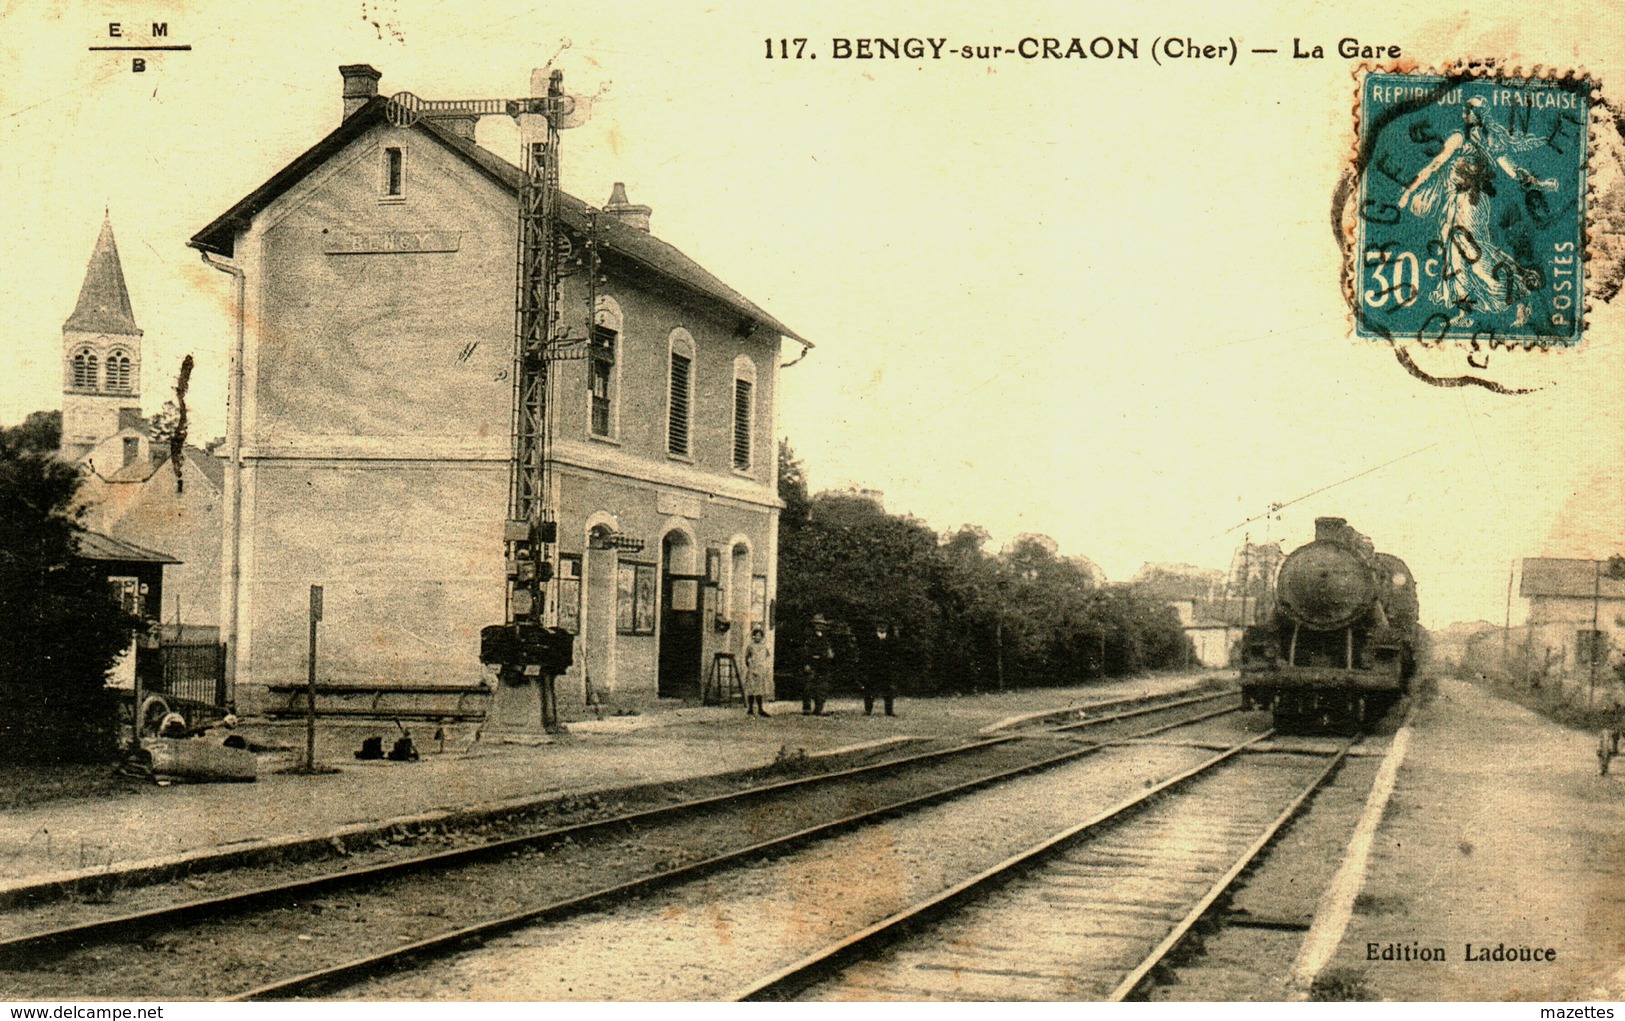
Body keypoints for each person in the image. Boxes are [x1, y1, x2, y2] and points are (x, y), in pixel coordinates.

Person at [1396, 96, 1556, 321]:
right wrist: (1410, 191)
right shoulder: (1458, 139)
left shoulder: (1489, 143)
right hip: (1453, 204)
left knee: (1477, 254)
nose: (1464, 114)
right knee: (1454, 255)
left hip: (1472, 205)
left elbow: (1513, 171)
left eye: (1469, 110)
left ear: (1479, 115)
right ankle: (1464, 311)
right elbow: (1434, 166)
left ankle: (1518, 295)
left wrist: (1538, 183)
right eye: (1465, 110)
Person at [864, 622, 900, 717]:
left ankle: (889, 711)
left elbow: (895, 655)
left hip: (887, 668)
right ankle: (868, 710)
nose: (882, 627)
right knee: (870, 690)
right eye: (880, 625)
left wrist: (892, 666)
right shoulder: (870, 639)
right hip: (873, 668)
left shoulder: (892, 639)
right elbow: (867, 654)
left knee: (888, 690)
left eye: (884, 625)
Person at [801, 615, 835, 715]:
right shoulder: (809, 637)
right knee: (808, 687)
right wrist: (806, 663)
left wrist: (829, 655)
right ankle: (806, 708)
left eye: (821, 624)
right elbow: (805, 652)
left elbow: (829, 651)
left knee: (822, 688)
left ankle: (819, 708)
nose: (819, 626)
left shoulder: (826, 638)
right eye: (817, 624)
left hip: (823, 665)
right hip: (812, 663)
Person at [743, 627, 772, 717]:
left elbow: (767, 658)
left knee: (760, 690)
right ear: (753, 636)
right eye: (756, 636)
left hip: (761, 670)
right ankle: (750, 709)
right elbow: (747, 658)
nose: (758, 637)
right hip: (752, 669)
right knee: (751, 689)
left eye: (760, 636)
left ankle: (760, 709)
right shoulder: (750, 647)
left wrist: (765, 668)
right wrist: (751, 667)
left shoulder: (764, 647)